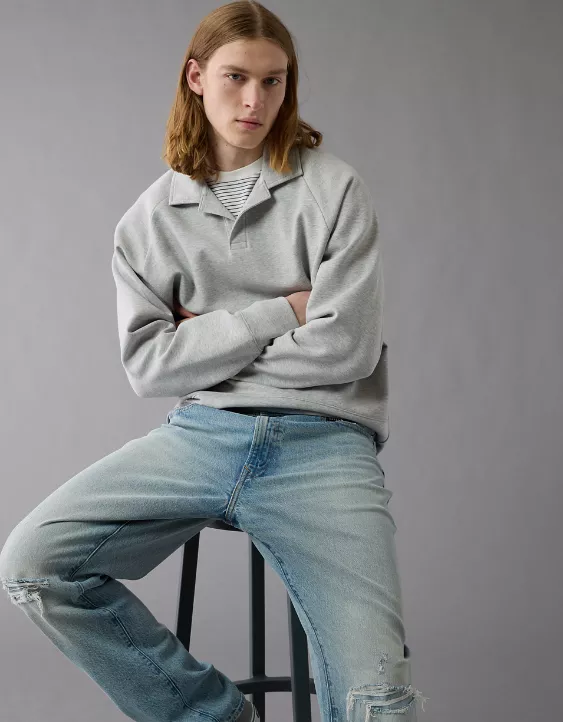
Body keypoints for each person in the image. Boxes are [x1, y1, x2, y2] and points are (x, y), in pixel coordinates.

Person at [0, 2, 428, 721]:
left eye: (273, 81)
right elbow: (150, 369)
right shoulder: (147, 221)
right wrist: (281, 313)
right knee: (34, 567)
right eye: (236, 78)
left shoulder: (333, 190)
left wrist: (204, 346)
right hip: (201, 438)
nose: (255, 100)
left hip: (324, 443)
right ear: (196, 78)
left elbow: (347, 349)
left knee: (378, 701)